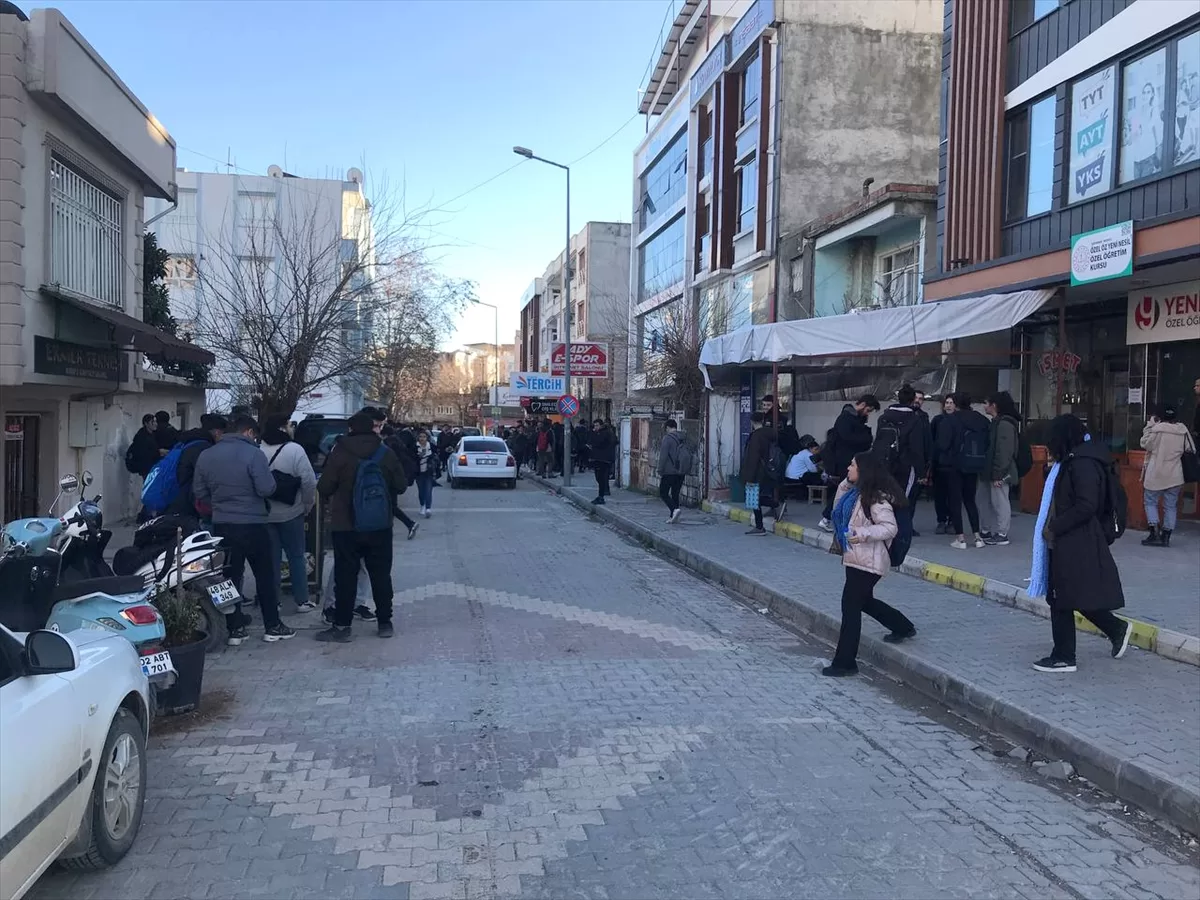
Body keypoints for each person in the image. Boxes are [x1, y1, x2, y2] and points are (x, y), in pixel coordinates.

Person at [1027, 415, 1130, 673]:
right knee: (1069, 594)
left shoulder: (1082, 463)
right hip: (1071, 538)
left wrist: (1055, 526)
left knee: (1061, 597)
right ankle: (1116, 629)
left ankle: (1064, 656)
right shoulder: (1075, 459)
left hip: (1075, 538)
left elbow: (1086, 505)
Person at [193, 415, 296, 645]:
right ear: (249, 432)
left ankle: (235, 629)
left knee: (229, 578)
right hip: (253, 524)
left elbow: (199, 491)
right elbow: (266, 488)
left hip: (223, 524)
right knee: (265, 576)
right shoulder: (254, 454)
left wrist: (219, 505)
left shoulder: (207, 455)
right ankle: (272, 626)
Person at [316, 413, 407, 642]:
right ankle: (385, 622)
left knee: (346, 576)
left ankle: (342, 626)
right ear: (373, 428)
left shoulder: (340, 452)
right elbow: (401, 485)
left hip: (345, 525)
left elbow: (324, 487)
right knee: (381, 575)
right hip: (379, 524)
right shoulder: (385, 452)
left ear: (351, 429)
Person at [824, 452, 915, 677]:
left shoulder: (876, 498)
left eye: (852, 465)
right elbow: (837, 506)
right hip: (856, 557)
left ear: (863, 470)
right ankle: (903, 626)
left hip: (870, 560)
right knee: (863, 601)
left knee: (850, 607)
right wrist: (846, 483)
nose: (848, 468)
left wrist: (862, 533)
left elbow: (890, 528)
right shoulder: (855, 492)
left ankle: (845, 663)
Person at [260, 414, 318, 614]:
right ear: (283, 428)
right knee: (296, 556)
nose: (292, 428)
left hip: (265, 513)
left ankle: (273, 601)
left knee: (271, 559)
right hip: (292, 512)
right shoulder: (295, 450)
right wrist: (307, 504)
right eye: (290, 425)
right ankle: (301, 600)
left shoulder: (257, 450)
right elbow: (309, 481)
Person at [818, 395, 879, 532]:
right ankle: (827, 517)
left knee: (847, 489)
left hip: (850, 461)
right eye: (868, 410)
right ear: (862, 405)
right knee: (846, 490)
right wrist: (866, 438)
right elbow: (848, 438)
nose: (867, 413)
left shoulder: (854, 419)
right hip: (844, 461)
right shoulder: (845, 419)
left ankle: (830, 518)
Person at [873, 385, 929, 527]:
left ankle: (885, 527)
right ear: (912, 400)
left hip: (885, 464)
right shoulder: (914, 419)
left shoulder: (884, 417)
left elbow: (878, 442)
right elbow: (917, 447)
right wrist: (921, 471)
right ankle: (901, 530)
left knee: (886, 497)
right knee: (903, 500)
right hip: (906, 465)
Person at [940, 391, 989, 550]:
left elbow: (943, 444)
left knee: (955, 501)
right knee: (970, 500)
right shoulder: (981, 419)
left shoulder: (951, 420)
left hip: (954, 464)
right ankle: (977, 537)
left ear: (956, 404)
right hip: (974, 463)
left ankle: (960, 539)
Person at [1140, 406, 1191, 547]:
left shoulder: (1157, 430)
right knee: (1170, 506)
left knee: (1150, 501)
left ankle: (1154, 533)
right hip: (1175, 474)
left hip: (1156, 473)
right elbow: (1188, 448)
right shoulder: (1182, 430)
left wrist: (1149, 426)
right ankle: (1166, 536)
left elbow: (1145, 444)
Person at [167, 414, 227, 519]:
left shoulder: (190, 441)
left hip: (179, 497)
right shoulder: (204, 448)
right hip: (191, 503)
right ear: (217, 432)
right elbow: (206, 477)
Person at [980, 391, 1021, 546]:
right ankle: (991, 531)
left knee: (1000, 502)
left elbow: (1004, 451)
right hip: (993, 470)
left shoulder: (1003, 425)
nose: (984, 406)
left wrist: (999, 474)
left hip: (999, 472)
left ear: (994, 405)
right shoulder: (999, 423)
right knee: (992, 500)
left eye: (986, 403)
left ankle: (1002, 533)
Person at [740, 412, 776, 535]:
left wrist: (749, 477)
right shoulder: (769, 434)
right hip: (766, 469)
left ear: (751, 422)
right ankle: (774, 505)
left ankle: (760, 525)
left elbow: (753, 457)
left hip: (756, 472)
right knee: (756, 498)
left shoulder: (756, 436)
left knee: (753, 499)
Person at [658, 419, 693, 523]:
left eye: (666, 428)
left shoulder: (667, 439)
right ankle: (674, 516)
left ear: (668, 427)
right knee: (675, 493)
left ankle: (674, 510)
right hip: (681, 470)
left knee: (663, 492)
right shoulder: (683, 437)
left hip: (669, 471)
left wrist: (660, 469)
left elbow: (663, 456)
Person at [930, 395, 956, 534]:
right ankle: (941, 520)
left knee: (953, 494)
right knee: (939, 494)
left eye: (951, 403)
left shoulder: (959, 421)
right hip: (939, 463)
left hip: (954, 464)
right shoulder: (937, 420)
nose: (949, 405)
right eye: (947, 403)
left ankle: (952, 520)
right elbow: (932, 440)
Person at [589, 418, 616, 505]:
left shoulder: (605, 433)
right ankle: (601, 494)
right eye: (594, 426)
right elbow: (591, 441)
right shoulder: (599, 433)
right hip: (598, 458)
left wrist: (594, 434)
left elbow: (598, 442)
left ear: (601, 425)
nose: (595, 427)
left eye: (597, 425)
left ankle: (601, 496)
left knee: (601, 477)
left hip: (604, 459)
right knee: (599, 477)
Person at [126, 414, 160, 480]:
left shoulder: (152, 434)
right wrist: (158, 452)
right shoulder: (141, 437)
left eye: (156, 421)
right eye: (152, 422)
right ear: (146, 424)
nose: (155, 424)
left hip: (151, 467)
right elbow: (145, 454)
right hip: (146, 468)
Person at [413, 430, 436, 518]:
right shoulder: (414, 447)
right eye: (420, 437)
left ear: (427, 438)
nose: (422, 438)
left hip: (429, 472)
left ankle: (428, 508)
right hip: (419, 472)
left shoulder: (431, 446)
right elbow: (411, 458)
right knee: (421, 491)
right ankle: (422, 505)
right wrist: (418, 457)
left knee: (428, 490)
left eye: (424, 437)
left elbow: (436, 456)